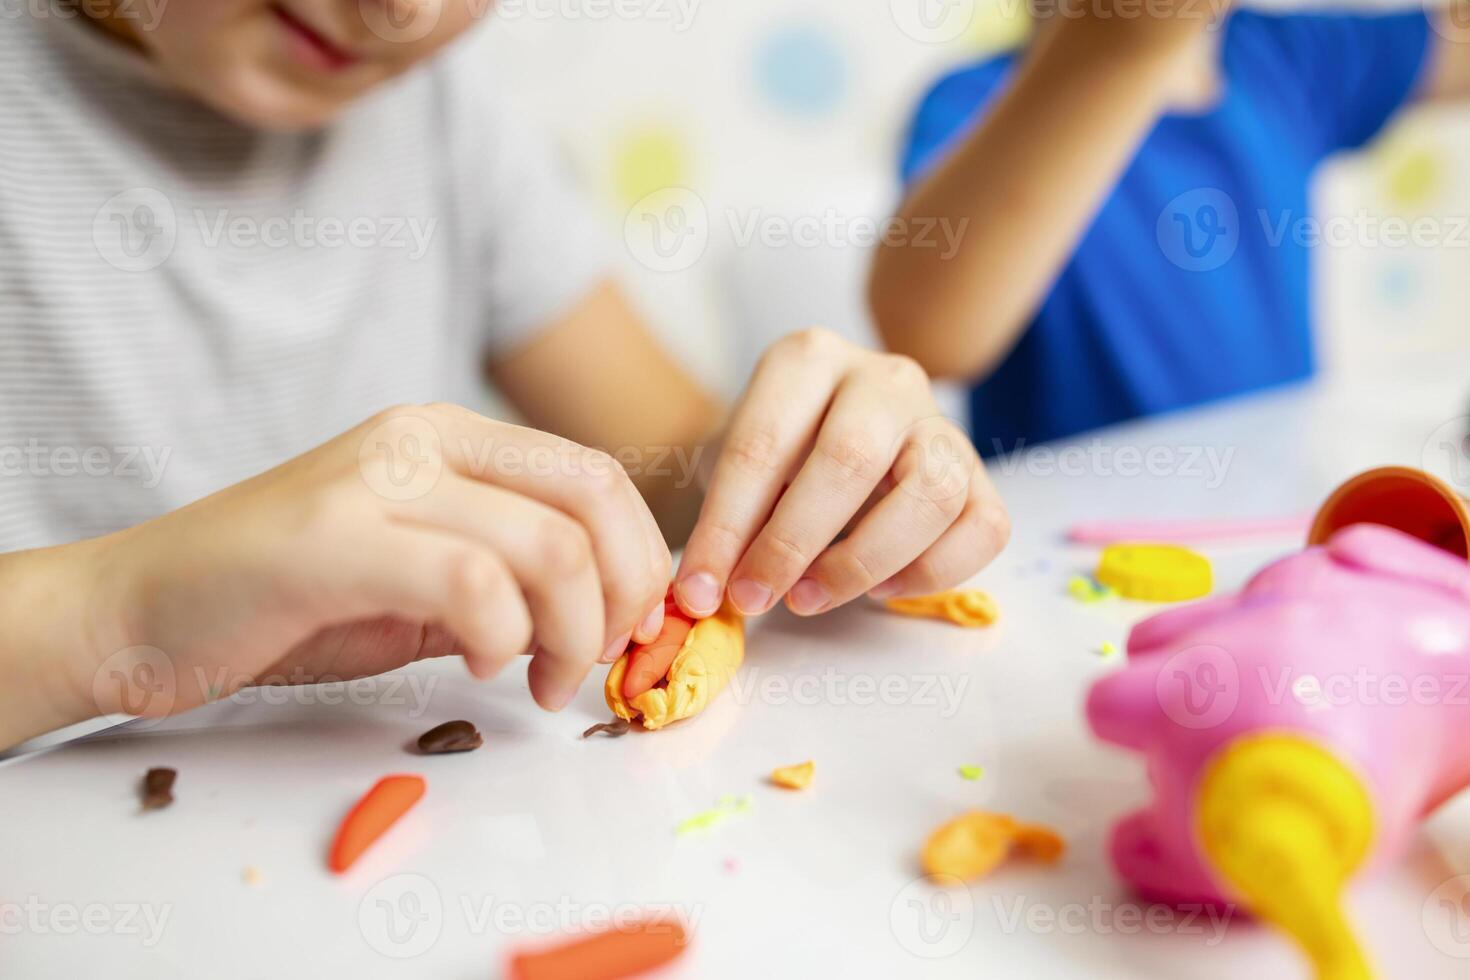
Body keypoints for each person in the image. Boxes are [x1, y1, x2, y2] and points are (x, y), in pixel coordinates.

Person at [0, 0, 1010, 751]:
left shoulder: (439, 109)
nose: (407, 13)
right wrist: (119, 612)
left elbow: (668, 462)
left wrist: (810, 472)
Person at [869, 0, 1470, 454]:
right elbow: (927, 334)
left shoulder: (1287, 60)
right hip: (1078, 563)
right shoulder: (973, 101)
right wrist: (1121, 40)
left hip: (1277, 526)